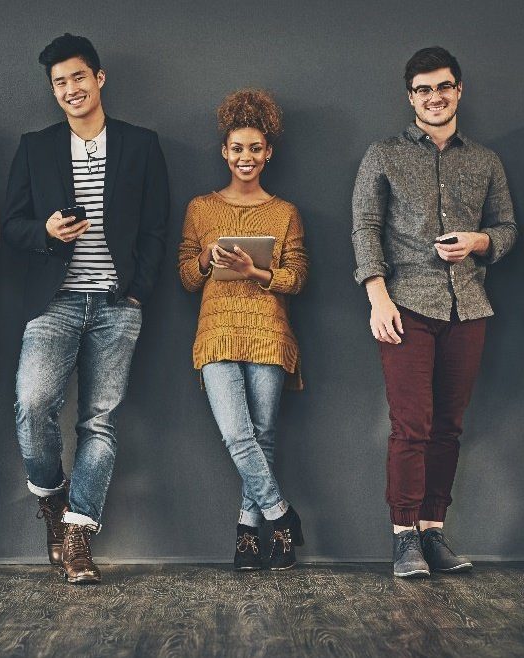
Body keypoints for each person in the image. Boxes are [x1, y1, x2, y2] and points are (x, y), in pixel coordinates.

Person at [1, 33, 169, 584]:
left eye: (78, 77)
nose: (70, 89)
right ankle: (52, 499)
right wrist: (47, 233)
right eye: (59, 82)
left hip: (118, 304)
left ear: (99, 78)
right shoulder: (36, 146)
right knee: (33, 404)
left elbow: (154, 226)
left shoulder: (141, 145)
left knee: (100, 420)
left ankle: (77, 533)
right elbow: (13, 226)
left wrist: (137, 290)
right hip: (56, 301)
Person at [351, 46, 516, 577]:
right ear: (410, 97)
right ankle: (404, 538)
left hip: (468, 307)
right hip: (406, 306)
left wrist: (479, 241)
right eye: (423, 89)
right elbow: (364, 229)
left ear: (458, 90)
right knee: (411, 426)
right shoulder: (384, 154)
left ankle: (432, 531)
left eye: (443, 86)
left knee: (449, 427)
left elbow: (508, 230)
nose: (435, 97)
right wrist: (378, 296)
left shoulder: (485, 160)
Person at [178, 89, 309, 571]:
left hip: (270, 331)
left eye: (255, 148)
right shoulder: (200, 208)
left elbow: (297, 278)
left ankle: (248, 538)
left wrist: (255, 271)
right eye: (237, 148)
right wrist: (208, 259)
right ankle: (280, 515)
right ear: (224, 152)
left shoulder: (285, 212)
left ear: (268, 152)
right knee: (238, 434)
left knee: (265, 434)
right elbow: (186, 278)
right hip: (215, 332)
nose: (246, 157)